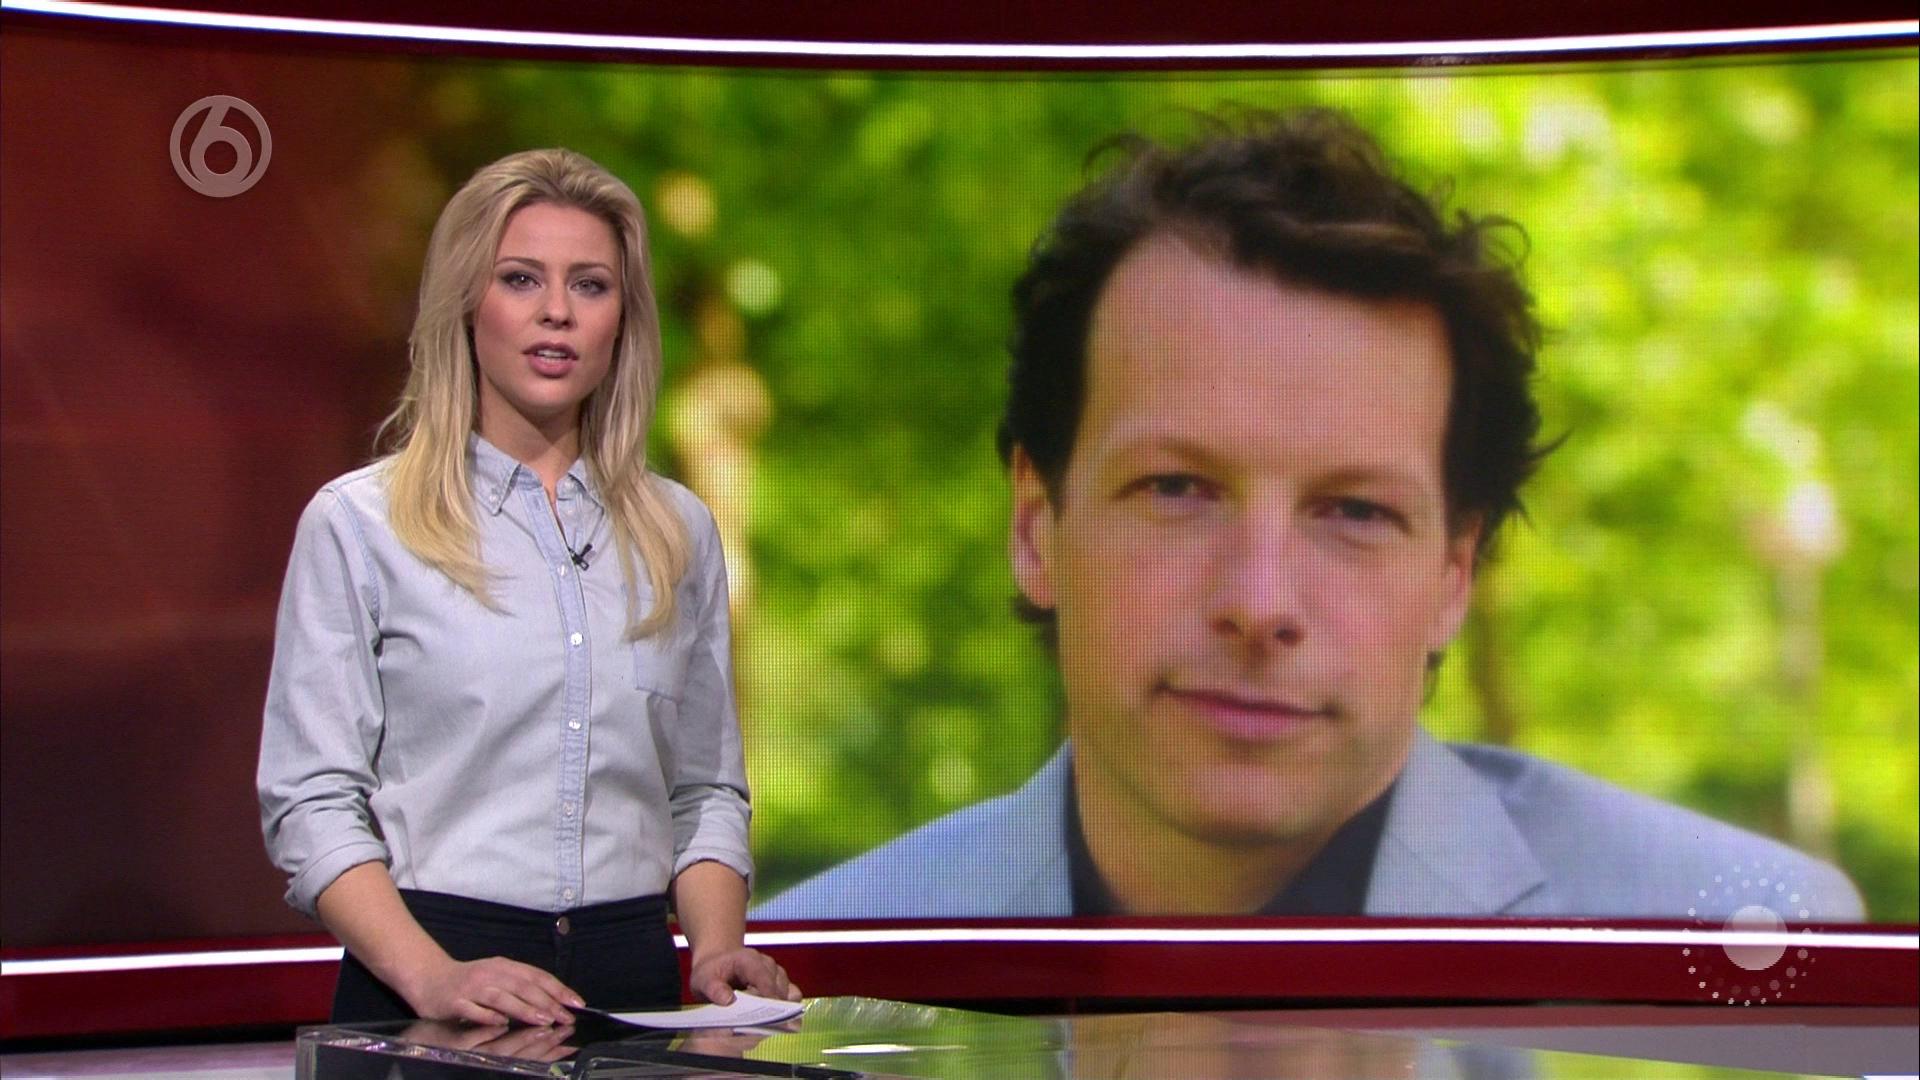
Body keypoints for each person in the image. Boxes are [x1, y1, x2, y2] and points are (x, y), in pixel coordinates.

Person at [756, 110, 1864, 922]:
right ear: (1037, 526)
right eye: (1177, 489)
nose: (1259, 604)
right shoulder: (809, 982)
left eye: (1356, 511)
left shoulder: (1751, 946)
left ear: (1454, 577)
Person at [259, 148, 798, 1025]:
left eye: (590, 285)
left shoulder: (678, 530)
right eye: (520, 279)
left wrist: (715, 948)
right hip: (427, 977)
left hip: (632, 981)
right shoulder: (361, 523)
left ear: (623, 320)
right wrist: (435, 978)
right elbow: (311, 803)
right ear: (466, 303)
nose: (557, 311)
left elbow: (703, 791)